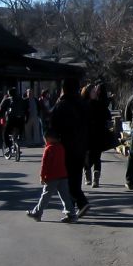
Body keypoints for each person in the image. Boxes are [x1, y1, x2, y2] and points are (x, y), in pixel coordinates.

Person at [50, 77, 91, 218]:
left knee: (65, 179)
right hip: (81, 145)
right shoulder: (83, 104)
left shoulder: (60, 105)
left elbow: (52, 127)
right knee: (76, 177)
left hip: (65, 146)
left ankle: (79, 204)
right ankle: (72, 207)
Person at [26, 129, 77, 223]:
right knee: (65, 196)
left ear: (48, 138)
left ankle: (37, 212)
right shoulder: (61, 147)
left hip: (52, 177)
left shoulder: (48, 149)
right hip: (63, 175)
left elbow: (44, 164)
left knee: (45, 196)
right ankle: (71, 214)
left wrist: (42, 176)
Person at [83, 83, 112, 188]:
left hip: (98, 134)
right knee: (87, 157)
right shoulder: (83, 104)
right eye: (93, 91)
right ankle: (87, 174)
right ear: (88, 92)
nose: (95, 92)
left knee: (97, 157)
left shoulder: (100, 104)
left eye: (95, 91)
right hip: (86, 134)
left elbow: (108, 117)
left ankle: (96, 179)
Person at [0, 88, 27, 153]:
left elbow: (1, 108)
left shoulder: (8, 100)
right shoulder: (21, 99)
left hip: (12, 119)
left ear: (9, 94)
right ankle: (18, 139)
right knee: (19, 132)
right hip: (21, 120)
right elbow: (26, 109)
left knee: (5, 133)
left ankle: (9, 147)